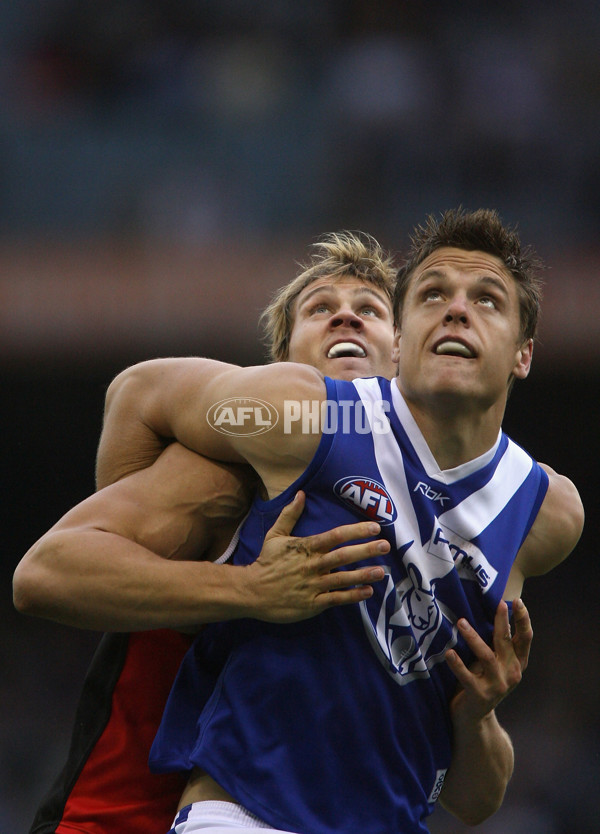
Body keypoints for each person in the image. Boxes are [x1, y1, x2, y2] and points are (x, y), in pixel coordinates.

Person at [94, 209, 584, 834]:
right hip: (237, 814)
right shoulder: (300, 419)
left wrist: (478, 714)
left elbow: (474, 798)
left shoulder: (545, 510)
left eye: (487, 300)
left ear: (524, 354)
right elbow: (137, 398)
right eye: (434, 294)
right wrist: (211, 589)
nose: (458, 310)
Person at [15, 233, 403, 834]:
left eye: (371, 309)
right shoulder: (226, 480)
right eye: (320, 308)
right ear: (281, 364)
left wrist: (478, 714)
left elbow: (470, 794)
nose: (346, 314)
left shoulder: (429, 521)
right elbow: (45, 573)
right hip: (121, 819)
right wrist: (249, 590)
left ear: (401, 354)